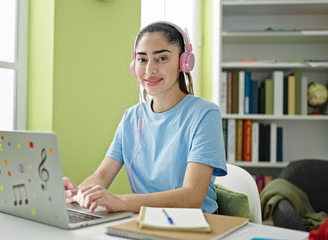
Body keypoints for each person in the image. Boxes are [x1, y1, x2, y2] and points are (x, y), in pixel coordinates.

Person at [63, 21, 227, 214]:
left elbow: (191, 197)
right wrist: (76, 193)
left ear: (184, 62)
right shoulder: (131, 117)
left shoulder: (205, 114)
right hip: (144, 222)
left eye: (162, 58)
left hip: (195, 225)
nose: (150, 69)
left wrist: (118, 201)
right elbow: (101, 175)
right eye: (142, 59)